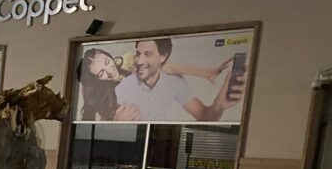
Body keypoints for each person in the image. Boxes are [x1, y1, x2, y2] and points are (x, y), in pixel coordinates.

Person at [78, 44, 238, 121]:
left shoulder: (130, 64)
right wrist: (117, 123)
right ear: (97, 79)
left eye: (107, 62)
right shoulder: (111, 96)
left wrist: (207, 74)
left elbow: (168, 68)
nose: (109, 70)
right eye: (101, 73)